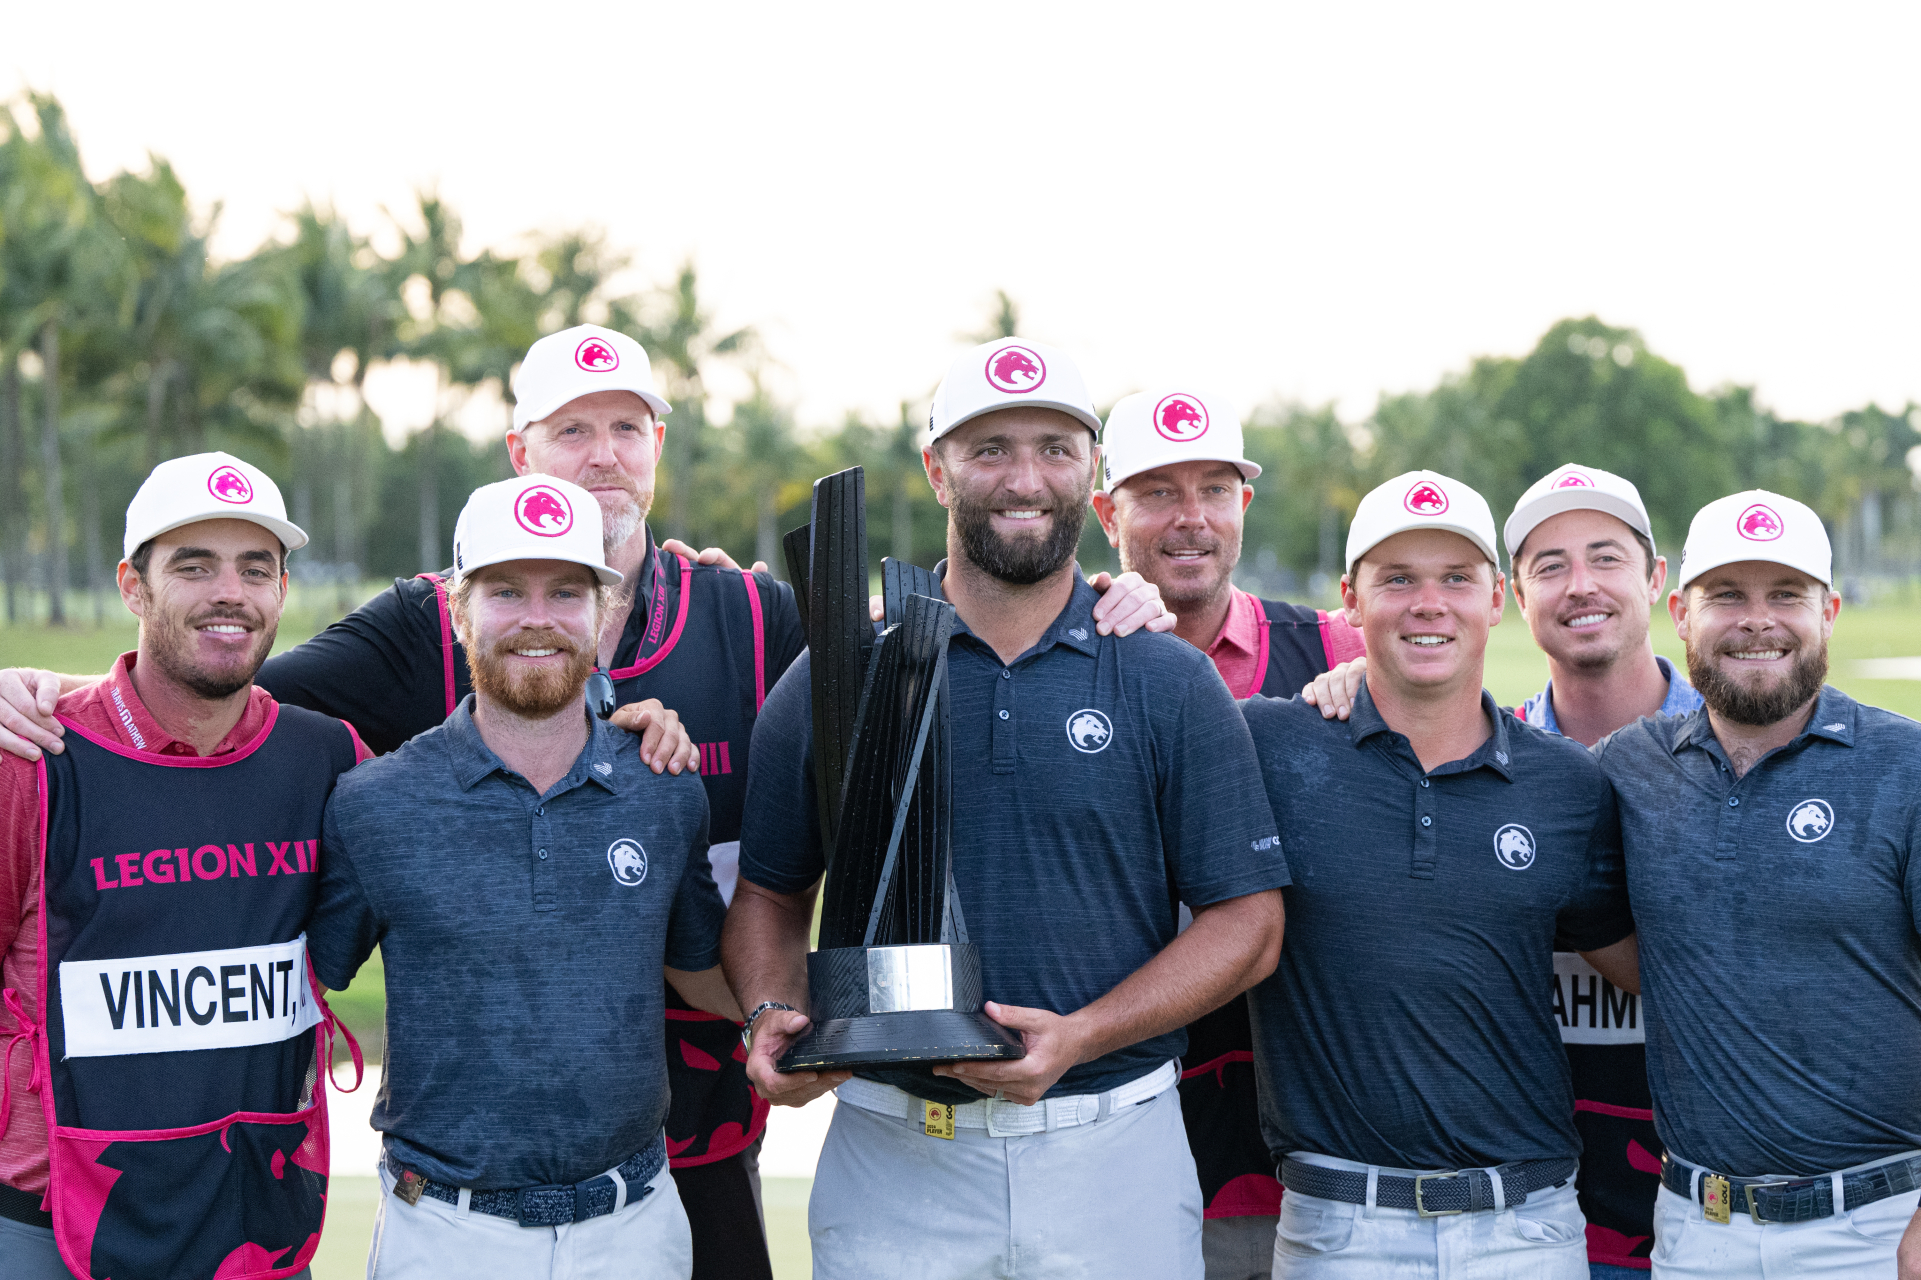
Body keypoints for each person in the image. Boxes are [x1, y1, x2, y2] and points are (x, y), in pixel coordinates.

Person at [0, 323, 1172, 1280]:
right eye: (571, 429)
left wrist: (1113, 599)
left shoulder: (750, 612)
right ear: (518, 458)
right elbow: (222, 689)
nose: (601, 455)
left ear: (655, 451)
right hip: (460, 1183)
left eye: (624, 428)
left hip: (695, 1136)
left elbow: (925, 657)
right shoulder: (409, 650)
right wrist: (53, 692)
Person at [726, 338, 1289, 1280]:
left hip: (1113, 1151)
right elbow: (770, 895)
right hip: (894, 1153)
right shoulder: (842, 674)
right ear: (935, 469)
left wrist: (1083, 1035)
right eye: (989, 449)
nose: (1025, 479)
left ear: (1090, 472)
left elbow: (1249, 924)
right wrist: (770, 1011)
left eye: (1054, 449)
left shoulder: (1166, 678)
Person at [306, 474, 735, 1278]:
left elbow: (704, 972)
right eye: (506, 591)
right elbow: (302, 997)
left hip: (635, 1228)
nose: (538, 618)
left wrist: (814, 1012)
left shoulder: (663, 787)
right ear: (458, 612)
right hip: (445, 1233)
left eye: (565, 592)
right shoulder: (374, 804)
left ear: (602, 613)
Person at [1241, 469, 1639, 1279]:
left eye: (1455, 578)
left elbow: (1643, 968)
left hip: (1524, 1229)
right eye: (1397, 580)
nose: (1428, 604)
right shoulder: (1267, 746)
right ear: (1349, 601)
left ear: (1493, 598)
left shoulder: (1567, 783)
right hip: (1336, 1231)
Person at [0, 452, 374, 1279]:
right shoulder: (32, 754)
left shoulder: (330, 758)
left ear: (282, 591)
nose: (229, 592)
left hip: (257, 1221)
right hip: (47, 1221)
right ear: (133, 588)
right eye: (194, 567)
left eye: (255, 569)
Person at [1593, 489, 1921, 1279]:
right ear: (1679, 614)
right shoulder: (1627, 766)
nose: (1756, 621)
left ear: (1828, 612)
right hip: (1695, 1229)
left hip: (1876, 1228)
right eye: (1726, 596)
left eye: (1785, 595)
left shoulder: (1905, 767)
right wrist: (1359, 678)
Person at [1089, 385, 1365, 1280]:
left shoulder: (1333, 648)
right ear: (1107, 514)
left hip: (1314, 1156)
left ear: (1242, 505)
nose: (1191, 518)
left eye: (1213, 490)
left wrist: (1379, 685)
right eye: (1157, 493)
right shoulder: (1068, 651)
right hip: (1119, 1142)